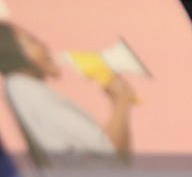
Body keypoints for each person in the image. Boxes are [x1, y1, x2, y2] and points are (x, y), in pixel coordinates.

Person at [0, 22, 135, 162]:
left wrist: (119, 101)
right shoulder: (28, 90)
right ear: (10, 51)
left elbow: (118, 159)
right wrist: (122, 102)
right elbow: (108, 151)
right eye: (32, 41)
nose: (45, 46)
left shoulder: (19, 88)